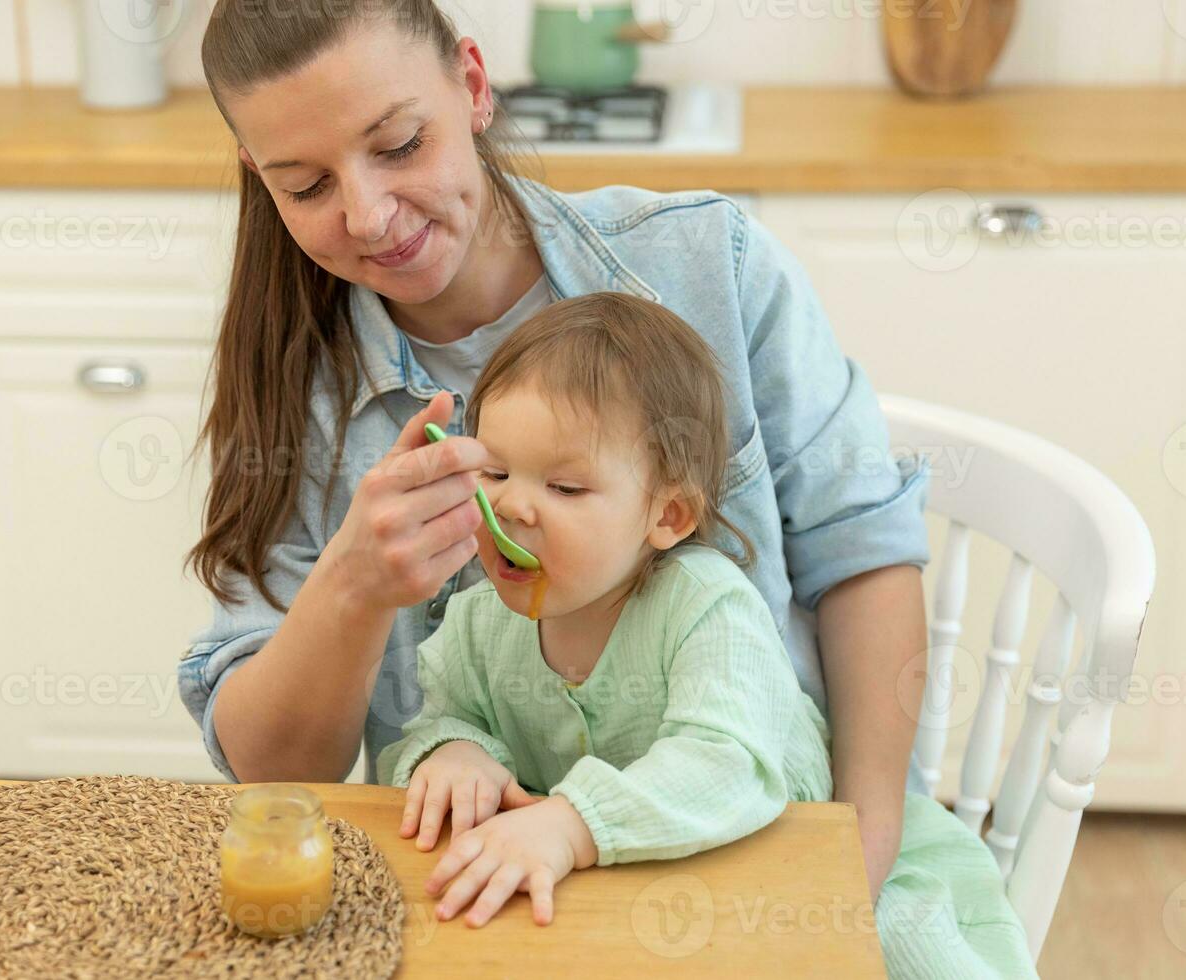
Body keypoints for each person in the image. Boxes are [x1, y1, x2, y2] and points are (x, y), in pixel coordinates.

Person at [179, 0, 932, 905]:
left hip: (752, 860)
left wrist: (860, 862)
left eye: (401, 145)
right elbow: (276, 773)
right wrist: (354, 585)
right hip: (491, 894)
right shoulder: (294, 385)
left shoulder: (706, 267)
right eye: (305, 187)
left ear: (473, 85)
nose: (371, 216)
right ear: (258, 176)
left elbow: (864, 557)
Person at [374, 292, 1037, 978]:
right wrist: (452, 753)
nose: (511, 505)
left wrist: (571, 824)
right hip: (639, 898)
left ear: (667, 515)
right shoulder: (480, 622)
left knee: (907, 953)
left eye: (566, 488)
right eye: (496, 472)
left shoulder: (707, 608)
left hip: (798, 878)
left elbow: (725, 763)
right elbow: (441, 715)